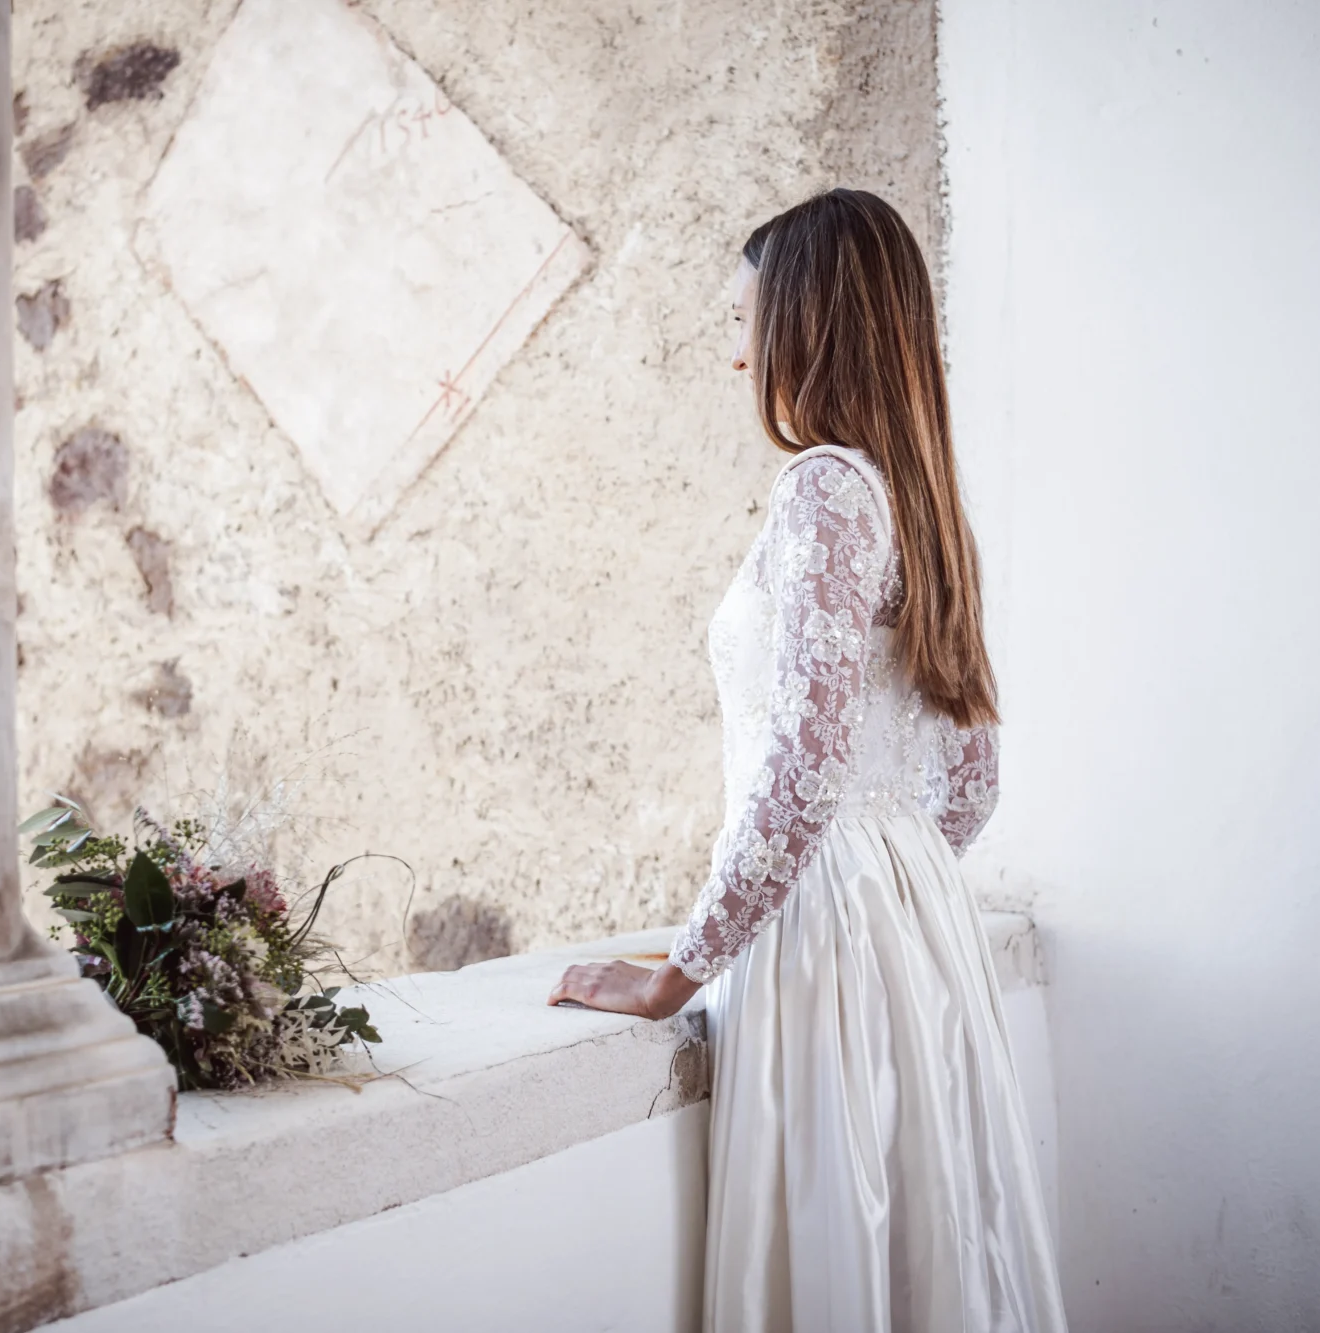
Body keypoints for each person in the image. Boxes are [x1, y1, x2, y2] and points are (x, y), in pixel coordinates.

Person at [549, 189, 1067, 1332]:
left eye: (744, 321)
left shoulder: (825, 490)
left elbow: (799, 773)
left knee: (838, 1238)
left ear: (805, 323)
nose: (734, 356)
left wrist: (670, 974)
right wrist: (892, 886)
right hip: (908, 918)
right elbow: (971, 784)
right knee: (930, 1240)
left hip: (821, 927)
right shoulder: (919, 497)